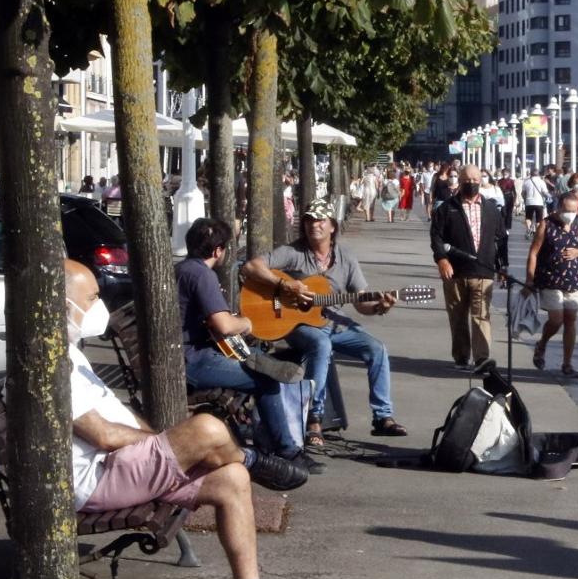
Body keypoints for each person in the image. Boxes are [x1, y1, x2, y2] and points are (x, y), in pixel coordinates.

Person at [66, 259, 320, 579]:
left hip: (119, 468)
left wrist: (162, 447)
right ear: (63, 305)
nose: (99, 305)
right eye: (92, 297)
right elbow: (102, 435)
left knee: (232, 477)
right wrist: (163, 446)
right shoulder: (49, 364)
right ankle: (253, 457)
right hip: (95, 483)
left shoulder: (73, 354)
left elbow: (125, 423)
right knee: (206, 427)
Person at [240, 199, 406, 443]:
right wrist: (285, 284)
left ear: (332, 227)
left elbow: (361, 302)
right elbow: (251, 266)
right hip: (299, 326)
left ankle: (382, 416)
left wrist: (380, 307)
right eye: (308, 220)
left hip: (334, 322)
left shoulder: (346, 258)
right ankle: (314, 418)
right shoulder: (293, 253)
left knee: (377, 349)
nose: (313, 225)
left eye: (320, 220)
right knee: (321, 345)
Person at [177, 218, 322, 473]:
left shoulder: (181, 269)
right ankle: (286, 451)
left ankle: (267, 429)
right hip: (191, 361)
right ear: (218, 251)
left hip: (184, 353)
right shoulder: (202, 274)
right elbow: (223, 325)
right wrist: (246, 323)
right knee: (265, 379)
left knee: (257, 359)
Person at [430, 164, 509, 370]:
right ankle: (461, 356)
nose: (472, 184)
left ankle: (481, 357)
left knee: (481, 315)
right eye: (467, 180)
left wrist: (503, 266)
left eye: (476, 180)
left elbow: (501, 239)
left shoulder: (491, 209)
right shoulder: (447, 208)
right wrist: (442, 259)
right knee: (457, 316)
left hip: (483, 271)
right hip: (455, 271)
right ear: (460, 181)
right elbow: (436, 236)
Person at [526, 190, 578, 377]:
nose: (570, 213)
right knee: (556, 319)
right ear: (559, 207)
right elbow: (534, 252)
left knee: (571, 320)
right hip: (551, 279)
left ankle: (567, 363)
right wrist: (529, 279)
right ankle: (542, 343)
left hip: (574, 278)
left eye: (574, 210)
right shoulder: (546, 224)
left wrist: (577, 253)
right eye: (567, 209)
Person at [521, 168, 549, 239]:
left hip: (529, 202)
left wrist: (525, 198)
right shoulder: (541, 182)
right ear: (538, 174)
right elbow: (545, 192)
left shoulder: (526, 182)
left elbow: (523, 193)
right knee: (539, 219)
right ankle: (537, 232)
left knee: (528, 217)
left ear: (530, 174)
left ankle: (528, 229)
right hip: (539, 202)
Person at [497, 168, 518, 233]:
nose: (504, 175)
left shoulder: (511, 181)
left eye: (505, 173)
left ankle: (507, 227)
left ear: (509, 174)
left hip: (509, 197)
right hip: (501, 197)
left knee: (509, 213)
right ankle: (502, 226)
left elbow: (514, 192)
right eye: (503, 173)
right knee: (503, 212)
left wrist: (515, 200)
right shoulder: (499, 181)